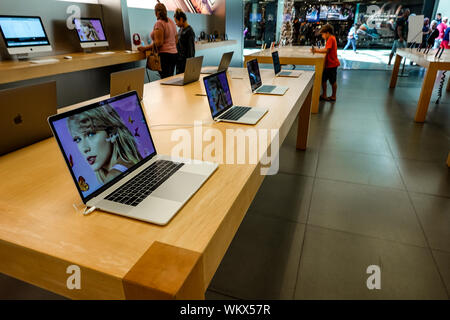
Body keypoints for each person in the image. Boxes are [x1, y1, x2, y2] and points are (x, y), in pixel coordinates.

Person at [67, 105, 142, 184]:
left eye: (91, 134)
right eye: (78, 139)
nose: (85, 148)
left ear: (112, 134)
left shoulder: (113, 177)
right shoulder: (130, 162)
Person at [138, 3, 178, 79]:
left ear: (156, 13)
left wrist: (145, 48)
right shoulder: (171, 22)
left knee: (166, 80)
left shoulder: (159, 23)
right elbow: (176, 40)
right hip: (174, 54)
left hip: (165, 56)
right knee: (170, 79)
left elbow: (159, 43)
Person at [311, 24, 340, 102]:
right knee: (324, 79)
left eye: (323, 34)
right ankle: (324, 94)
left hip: (332, 64)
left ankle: (333, 96)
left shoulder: (330, 39)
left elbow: (326, 50)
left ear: (327, 33)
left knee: (332, 81)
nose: (322, 36)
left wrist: (316, 50)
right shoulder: (331, 38)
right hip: (329, 64)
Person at [174, 8, 195, 74]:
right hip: (179, 63)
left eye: (176, 21)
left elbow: (190, 51)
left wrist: (190, 66)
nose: (176, 24)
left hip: (185, 64)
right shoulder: (180, 30)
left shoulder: (189, 31)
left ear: (181, 19)